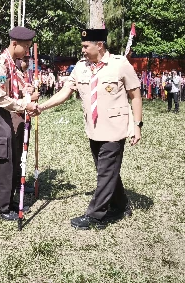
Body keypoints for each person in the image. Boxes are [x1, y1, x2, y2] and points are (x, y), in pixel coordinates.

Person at [37, 28, 142, 230]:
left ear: (99, 45)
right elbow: (65, 92)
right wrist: (42, 106)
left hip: (115, 128)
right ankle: (121, 205)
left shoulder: (120, 65)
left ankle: (95, 216)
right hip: (94, 129)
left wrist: (137, 126)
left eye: (86, 46)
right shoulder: (81, 67)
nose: (83, 50)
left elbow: (135, 96)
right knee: (108, 172)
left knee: (105, 172)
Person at [0, 26, 39, 221]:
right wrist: (24, 104)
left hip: (5, 114)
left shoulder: (11, 64)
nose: (28, 52)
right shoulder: (1, 65)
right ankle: (1, 208)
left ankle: (10, 200)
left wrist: (27, 91)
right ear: (15, 44)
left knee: (13, 159)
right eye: (26, 47)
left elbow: (16, 88)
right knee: (4, 162)